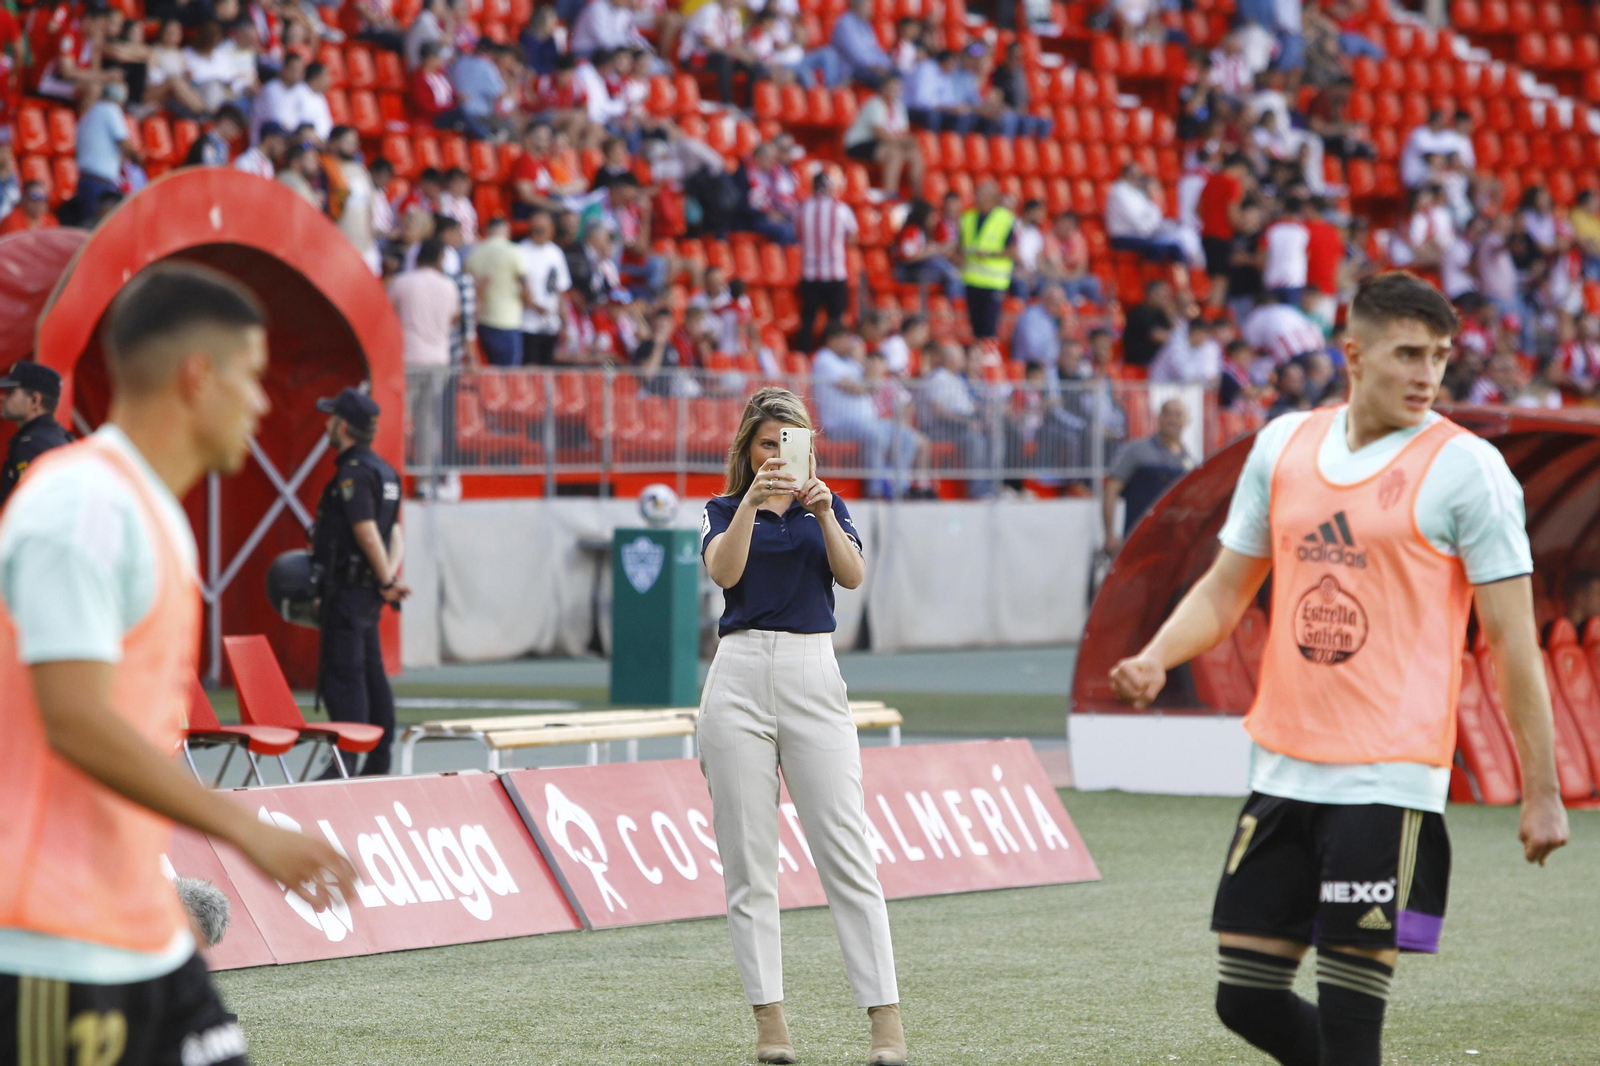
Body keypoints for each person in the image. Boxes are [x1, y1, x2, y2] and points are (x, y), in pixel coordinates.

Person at [1109, 272, 1568, 1066]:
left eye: (1442, 357)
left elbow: (1512, 641)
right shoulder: (1283, 443)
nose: (1429, 375)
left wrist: (1542, 791)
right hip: (1283, 768)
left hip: (1387, 780)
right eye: (1409, 355)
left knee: (1354, 1031)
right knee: (1244, 996)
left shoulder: (1470, 470)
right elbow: (1226, 589)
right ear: (1354, 354)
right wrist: (1155, 658)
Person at [0, 262, 356, 1062]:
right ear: (199, 377)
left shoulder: (141, 503)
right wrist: (248, 831)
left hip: (139, 933)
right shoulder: (82, 503)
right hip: (54, 949)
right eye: (254, 378)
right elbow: (75, 717)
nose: (264, 405)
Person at [698, 386, 905, 1066]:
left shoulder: (830, 505)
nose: (778, 454)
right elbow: (724, 574)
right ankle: (771, 1025)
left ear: (810, 447)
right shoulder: (727, 510)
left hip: (814, 671)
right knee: (748, 863)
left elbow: (851, 577)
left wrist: (821, 514)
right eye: (767, 442)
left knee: (847, 853)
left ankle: (885, 1025)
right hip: (740, 672)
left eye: (790, 441)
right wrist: (754, 504)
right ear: (748, 450)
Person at [310, 388, 407, 777]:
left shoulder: (352, 473)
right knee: (371, 673)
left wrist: (386, 579)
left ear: (344, 426)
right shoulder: (387, 472)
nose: (326, 424)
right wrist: (388, 578)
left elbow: (367, 531)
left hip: (348, 594)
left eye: (332, 418)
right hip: (368, 596)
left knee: (345, 679)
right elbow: (395, 534)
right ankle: (379, 762)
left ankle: (343, 769)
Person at [1101, 398, 1194, 554]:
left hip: (1172, 546)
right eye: (1167, 413)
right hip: (1138, 541)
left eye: (1178, 415)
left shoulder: (1190, 461)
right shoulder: (1136, 450)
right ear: (1159, 417)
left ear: (1186, 421)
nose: (1172, 419)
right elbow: (1111, 489)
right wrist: (1109, 534)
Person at [794, 171, 858, 354]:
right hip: (835, 274)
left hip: (809, 273)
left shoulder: (803, 208)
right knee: (835, 322)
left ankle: (803, 356)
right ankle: (831, 356)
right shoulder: (841, 208)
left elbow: (798, 234)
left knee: (807, 320)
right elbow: (852, 237)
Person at [0, 361, 73, 508]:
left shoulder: (32, 445)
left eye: (11, 392)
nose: (3, 397)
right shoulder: (60, 437)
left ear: (35, 400)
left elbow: (33, 509)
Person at [843, 74, 921, 199]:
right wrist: (903, 140)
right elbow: (879, 134)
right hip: (860, 144)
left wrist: (908, 141)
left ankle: (917, 196)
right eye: (893, 87)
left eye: (898, 88)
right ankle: (890, 194)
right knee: (894, 153)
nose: (896, 91)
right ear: (884, 88)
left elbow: (903, 131)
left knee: (915, 153)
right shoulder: (874, 104)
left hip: (887, 143)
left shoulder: (898, 107)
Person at [467, 216, 530, 366]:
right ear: (507, 231)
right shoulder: (513, 251)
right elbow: (525, 285)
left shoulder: (473, 253)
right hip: (507, 320)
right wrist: (527, 300)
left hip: (482, 320)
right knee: (508, 376)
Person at [958, 179, 1015, 340]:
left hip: (993, 282)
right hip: (971, 280)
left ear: (994, 197)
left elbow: (1013, 251)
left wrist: (989, 254)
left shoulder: (1005, 219)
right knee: (975, 329)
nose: (978, 198)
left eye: (982, 195)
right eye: (977, 194)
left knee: (989, 329)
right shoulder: (967, 217)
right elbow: (960, 246)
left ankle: (988, 361)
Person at [519, 210, 573, 365]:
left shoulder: (556, 253)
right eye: (535, 229)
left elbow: (561, 290)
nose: (538, 233)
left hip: (551, 323)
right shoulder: (521, 251)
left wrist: (564, 322)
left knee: (547, 369)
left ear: (551, 230)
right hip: (527, 322)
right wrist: (535, 306)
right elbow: (519, 286)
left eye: (542, 229)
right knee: (530, 367)